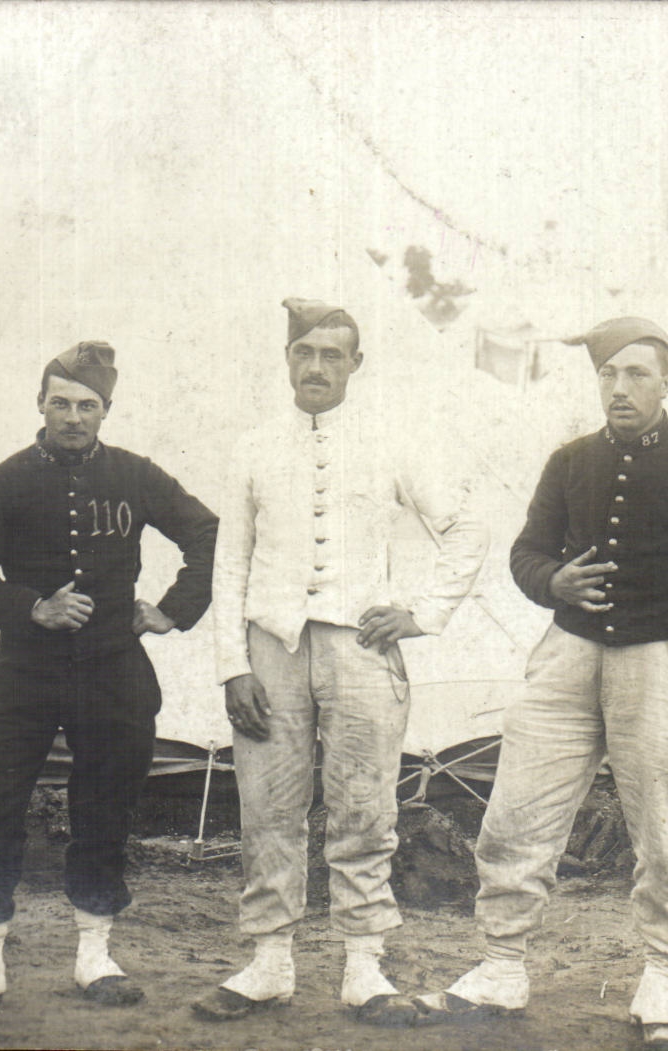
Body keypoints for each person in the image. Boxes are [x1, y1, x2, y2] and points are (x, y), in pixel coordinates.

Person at [409, 316, 668, 1049]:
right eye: (608, 374)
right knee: (515, 811)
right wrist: (553, 580)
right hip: (565, 657)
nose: (620, 388)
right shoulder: (569, 461)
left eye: (636, 374)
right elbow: (525, 554)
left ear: (666, 382)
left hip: (657, 665)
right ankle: (502, 963)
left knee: (661, 828)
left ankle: (660, 978)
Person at [194, 298, 488, 1025]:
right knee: (267, 806)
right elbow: (228, 562)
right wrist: (233, 664)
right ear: (287, 358)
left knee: (363, 803)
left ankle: (363, 964)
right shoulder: (254, 446)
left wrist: (420, 611)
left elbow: (466, 524)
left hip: (360, 649)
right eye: (304, 351)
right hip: (272, 650)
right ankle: (268, 962)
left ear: (355, 364)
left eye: (332, 354)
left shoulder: (388, 441)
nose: (316, 366)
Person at [0, 341, 218, 1013]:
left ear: (107, 409)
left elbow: (206, 533)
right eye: (60, 403)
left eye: (87, 406)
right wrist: (32, 607)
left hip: (113, 668)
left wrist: (171, 610)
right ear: (40, 404)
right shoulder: (4, 481)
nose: (73, 418)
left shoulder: (136, 475)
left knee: (104, 807)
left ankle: (95, 954)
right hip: (22, 668)